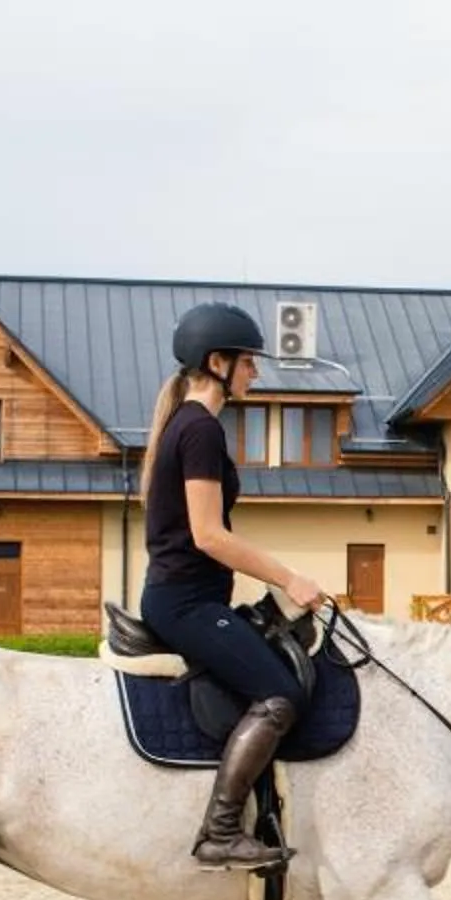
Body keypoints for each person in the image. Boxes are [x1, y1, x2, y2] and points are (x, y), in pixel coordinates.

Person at [138, 303, 328, 869]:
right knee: (281, 694)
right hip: (185, 603)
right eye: (249, 363)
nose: (256, 374)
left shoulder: (189, 425)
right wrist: (289, 577)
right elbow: (209, 536)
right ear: (218, 362)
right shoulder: (199, 429)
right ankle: (220, 830)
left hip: (191, 598)